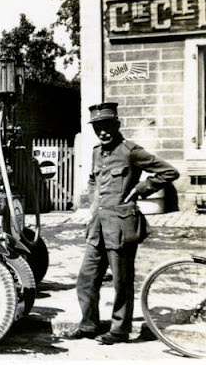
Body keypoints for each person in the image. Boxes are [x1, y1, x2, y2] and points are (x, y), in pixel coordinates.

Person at [63, 102, 179, 345]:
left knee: (121, 281)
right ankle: (88, 325)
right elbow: (94, 180)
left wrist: (141, 188)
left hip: (121, 225)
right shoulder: (96, 152)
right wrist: (93, 206)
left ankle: (119, 330)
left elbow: (169, 172)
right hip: (97, 227)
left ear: (116, 125)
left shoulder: (130, 151)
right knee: (86, 279)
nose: (102, 132)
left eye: (106, 126)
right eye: (97, 127)